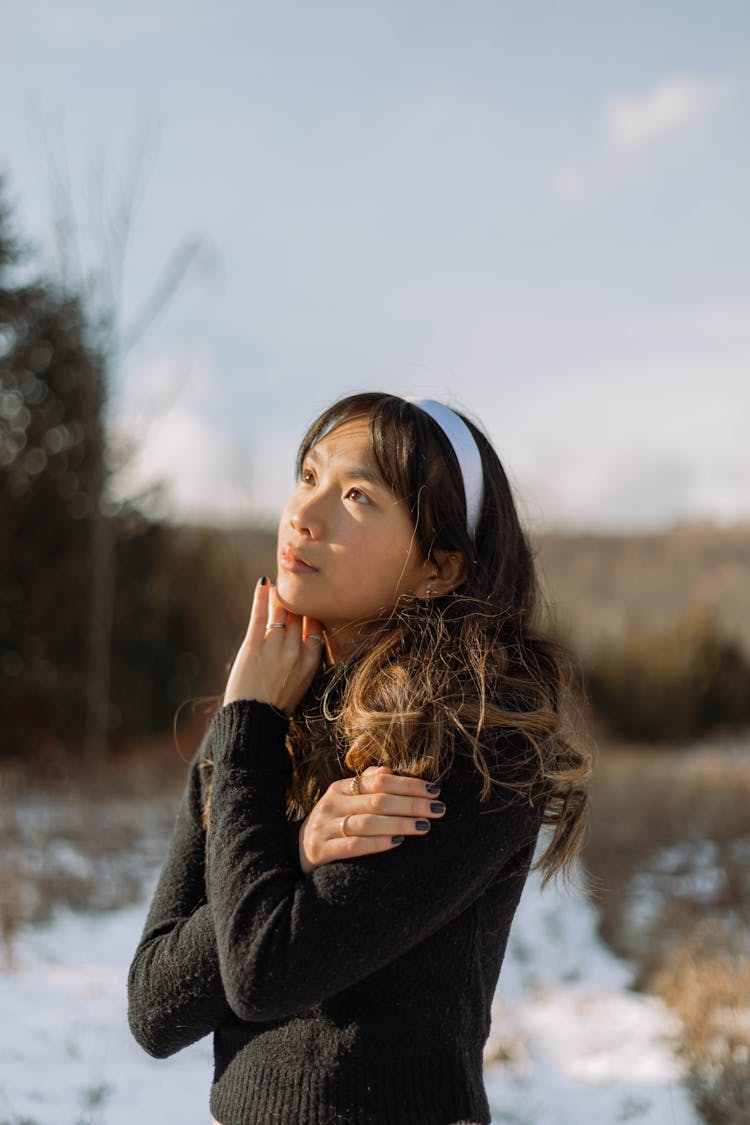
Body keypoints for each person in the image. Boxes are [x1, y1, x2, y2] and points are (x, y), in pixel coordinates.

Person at [127, 391, 590, 1125]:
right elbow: (154, 1007)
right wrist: (296, 840)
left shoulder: (477, 744)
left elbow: (261, 970)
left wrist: (247, 731)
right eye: (308, 476)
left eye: (356, 496)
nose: (303, 515)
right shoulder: (259, 723)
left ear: (440, 567)